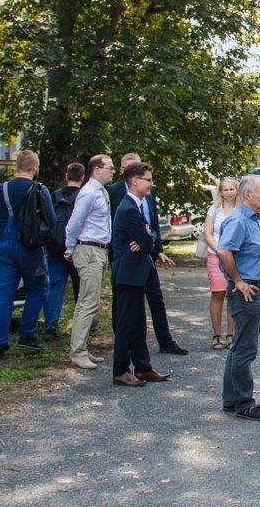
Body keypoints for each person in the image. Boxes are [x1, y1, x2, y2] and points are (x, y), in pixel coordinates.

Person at [108, 152, 187, 355]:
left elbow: (152, 226)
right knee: (127, 307)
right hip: (128, 258)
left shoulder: (148, 195)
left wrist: (157, 248)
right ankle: (124, 346)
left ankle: (165, 341)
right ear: (128, 174)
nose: (150, 183)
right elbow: (116, 225)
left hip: (147, 256)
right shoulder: (115, 193)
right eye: (130, 166)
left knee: (156, 300)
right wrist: (141, 239)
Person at [0, 150, 54, 362]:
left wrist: (0, 236)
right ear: (34, 167)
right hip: (30, 247)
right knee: (39, 288)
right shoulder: (40, 190)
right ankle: (26, 333)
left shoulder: (2, 188)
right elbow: (51, 221)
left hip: (4, 246)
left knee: (2, 295)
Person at [217, 174, 260, 421]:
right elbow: (223, 251)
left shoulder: (253, 219)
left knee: (240, 345)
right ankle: (244, 402)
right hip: (248, 292)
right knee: (245, 349)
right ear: (247, 194)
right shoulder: (239, 220)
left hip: (258, 290)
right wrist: (238, 281)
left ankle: (231, 399)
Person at [109, 161, 172, 387]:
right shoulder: (127, 208)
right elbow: (147, 242)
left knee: (138, 323)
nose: (151, 185)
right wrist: (146, 237)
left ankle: (143, 367)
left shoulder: (135, 205)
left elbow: (148, 239)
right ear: (135, 181)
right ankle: (120, 370)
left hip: (137, 273)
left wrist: (147, 237)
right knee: (126, 324)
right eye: (148, 180)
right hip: (128, 274)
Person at [65, 153, 115, 369]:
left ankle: (81, 346)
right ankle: (78, 352)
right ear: (97, 169)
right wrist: (69, 247)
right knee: (88, 301)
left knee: (87, 301)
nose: (113, 171)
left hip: (99, 249)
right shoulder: (88, 193)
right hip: (89, 249)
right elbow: (74, 223)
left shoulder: (100, 191)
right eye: (110, 167)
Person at [42, 161, 84, 342]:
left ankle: (50, 326)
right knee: (80, 288)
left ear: (66, 176)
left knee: (54, 286)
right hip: (77, 249)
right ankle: (81, 326)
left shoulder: (55, 195)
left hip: (55, 248)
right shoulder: (84, 196)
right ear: (83, 178)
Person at [201, 177, 238, 349]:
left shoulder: (241, 209)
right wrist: (219, 250)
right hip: (215, 255)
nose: (229, 192)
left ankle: (231, 335)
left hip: (236, 257)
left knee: (233, 294)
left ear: (237, 190)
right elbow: (207, 233)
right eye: (225, 189)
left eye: (232, 189)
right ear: (220, 192)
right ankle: (217, 335)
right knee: (217, 294)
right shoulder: (214, 209)